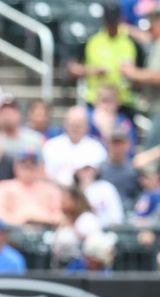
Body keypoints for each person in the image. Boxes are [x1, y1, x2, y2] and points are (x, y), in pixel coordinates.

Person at [68, 0, 145, 112]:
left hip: (123, 104)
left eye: (114, 22)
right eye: (109, 22)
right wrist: (91, 71)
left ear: (120, 19)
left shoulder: (131, 42)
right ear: (103, 19)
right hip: (95, 103)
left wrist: (132, 74)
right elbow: (72, 69)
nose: (111, 26)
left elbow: (141, 75)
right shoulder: (92, 40)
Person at [0, 149, 63, 226]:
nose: (28, 169)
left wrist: (37, 218)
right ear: (15, 167)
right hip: (13, 231)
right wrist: (21, 219)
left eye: (32, 166)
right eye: (24, 166)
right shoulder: (3, 187)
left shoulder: (51, 189)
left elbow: (61, 215)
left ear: (40, 168)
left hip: (46, 229)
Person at [120, 4, 160, 148]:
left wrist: (133, 72)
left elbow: (157, 77)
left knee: (149, 160)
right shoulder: (155, 43)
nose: (150, 26)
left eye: (154, 21)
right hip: (153, 108)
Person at [42, 106, 108, 188]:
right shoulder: (51, 146)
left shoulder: (97, 149)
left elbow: (97, 180)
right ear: (65, 124)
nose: (75, 128)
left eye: (79, 125)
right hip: (56, 192)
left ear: (87, 126)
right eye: (72, 124)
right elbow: (46, 176)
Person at [72, 163, 124, 227]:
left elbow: (116, 216)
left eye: (89, 169)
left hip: (106, 231)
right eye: (83, 169)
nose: (87, 173)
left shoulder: (106, 187)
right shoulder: (72, 191)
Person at [100, 126, 140, 201]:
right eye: (114, 144)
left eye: (120, 144)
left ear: (128, 145)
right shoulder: (99, 170)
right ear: (108, 144)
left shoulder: (134, 171)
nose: (117, 148)